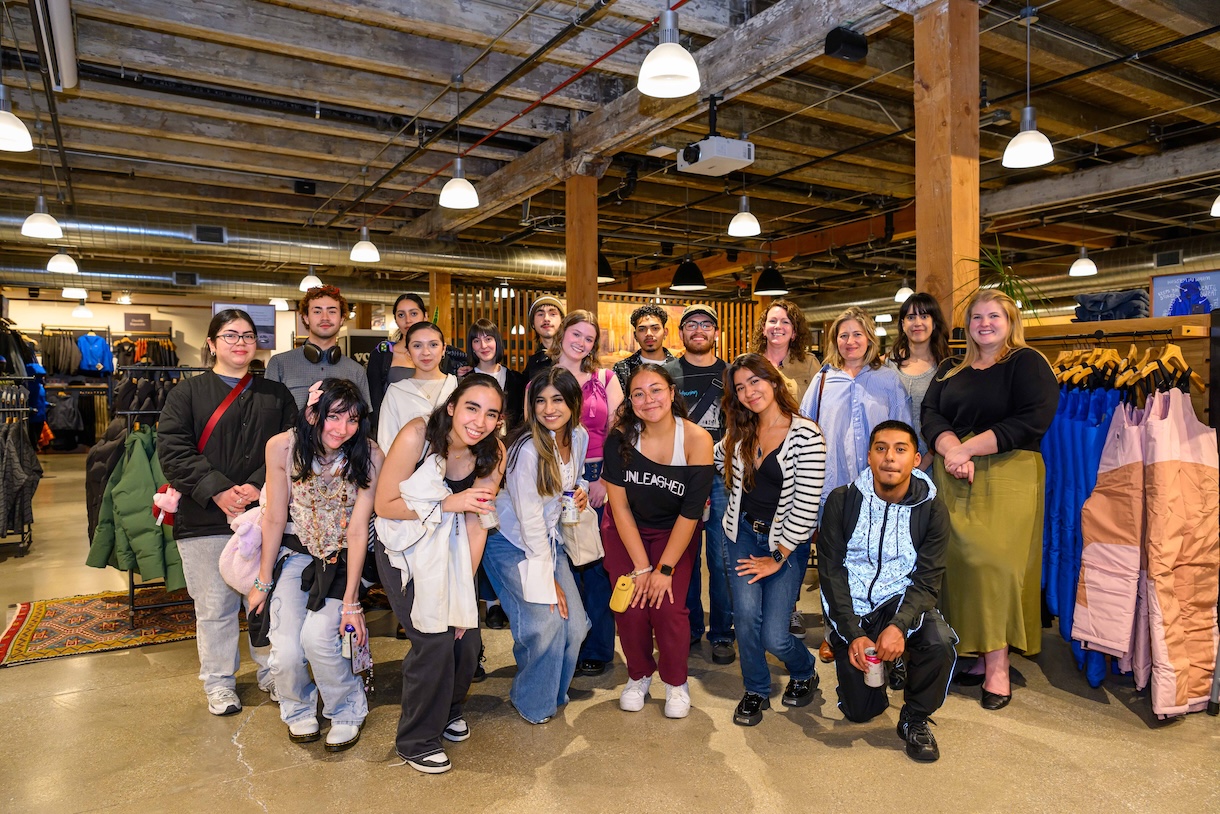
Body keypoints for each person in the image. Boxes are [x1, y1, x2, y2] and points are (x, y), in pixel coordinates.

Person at [921, 290, 1058, 711]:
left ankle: (998, 665)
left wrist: (968, 449)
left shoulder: (1027, 362)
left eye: (993, 315)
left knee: (995, 566)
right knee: (958, 566)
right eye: (976, 316)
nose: (984, 323)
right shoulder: (948, 368)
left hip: (1007, 471)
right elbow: (931, 413)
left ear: (1009, 320)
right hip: (954, 471)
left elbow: (1033, 417)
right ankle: (978, 655)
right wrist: (950, 450)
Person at [157, 309, 297, 715]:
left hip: (263, 514)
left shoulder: (276, 395)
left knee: (264, 600)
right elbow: (173, 449)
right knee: (215, 607)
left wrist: (256, 485)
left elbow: (291, 447)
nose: (240, 342)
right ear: (213, 343)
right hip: (203, 517)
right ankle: (218, 683)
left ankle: (270, 671)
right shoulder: (187, 393)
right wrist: (218, 491)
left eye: (248, 336)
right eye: (231, 335)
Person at [372, 375, 506, 774]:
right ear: (451, 407)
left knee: (465, 639)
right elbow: (385, 504)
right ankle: (415, 740)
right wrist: (449, 502)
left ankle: (446, 709)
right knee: (434, 639)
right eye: (472, 407)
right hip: (404, 546)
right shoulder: (417, 435)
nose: (480, 420)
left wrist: (461, 589)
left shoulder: (492, 451)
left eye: (491, 413)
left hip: (453, 545)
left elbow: (478, 521)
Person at [250, 378, 381, 751]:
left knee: (319, 638)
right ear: (312, 413)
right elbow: (274, 517)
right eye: (334, 417)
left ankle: (346, 711)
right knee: (288, 647)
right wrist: (262, 582)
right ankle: (297, 709)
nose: (343, 429)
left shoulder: (368, 452)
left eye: (353, 419)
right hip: (296, 555)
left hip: (345, 561)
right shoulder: (282, 447)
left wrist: (353, 601)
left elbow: (358, 530)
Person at [816, 420, 955, 760]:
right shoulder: (842, 500)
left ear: (916, 460)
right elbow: (830, 572)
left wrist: (899, 624)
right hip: (855, 607)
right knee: (860, 711)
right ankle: (885, 667)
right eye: (881, 448)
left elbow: (927, 578)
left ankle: (915, 717)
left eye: (900, 449)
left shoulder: (932, 508)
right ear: (869, 456)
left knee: (940, 644)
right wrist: (852, 633)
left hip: (900, 600)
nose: (889, 458)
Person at [718, 354, 825, 726]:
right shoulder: (740, 431)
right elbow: (719, 459)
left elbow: (806, 507)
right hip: (742, 534)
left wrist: (777, 556)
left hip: (786, 545)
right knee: (745, 618)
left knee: (775, 637)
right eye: (740, 387)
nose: (748, 392)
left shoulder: (807, 435)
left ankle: (804, 669)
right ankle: (756, 689)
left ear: (774, 381)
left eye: (755, 382)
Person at [601, 364, 714, 718]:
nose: (648, 399)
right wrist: (641, 567)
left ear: (671, 392)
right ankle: (638, 675)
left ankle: (676, 681)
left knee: (667, 608)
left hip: (674, 532)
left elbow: (691, 512)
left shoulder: (696, 439)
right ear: (630, 401)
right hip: (625, 531)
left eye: (656, 390)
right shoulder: (619, 439)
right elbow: (618, 508)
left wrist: (663, 569)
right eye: (638, 393)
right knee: (631, 606)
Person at [482, 367, 592, 724]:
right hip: (511, 543)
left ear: (573, 402)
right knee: (546, 624)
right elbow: (528, 519)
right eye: (540, 401)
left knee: (574, 627)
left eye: (557, 399)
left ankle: (550, 691)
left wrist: (582, 492)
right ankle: (533, 701)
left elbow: (576, 481)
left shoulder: (578, 436)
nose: (548, 408)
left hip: (548, 541)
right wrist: (550, 582)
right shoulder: (525, 448)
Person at [802, 306, 911, 653]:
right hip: (833, 489)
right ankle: (835, 633)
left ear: (869, 338)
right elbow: (805, 429)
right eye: (843, 335)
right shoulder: (822, 381)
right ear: (836, 340)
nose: (850, 341)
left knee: (879, 557)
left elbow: (904, 431)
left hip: (879, 489)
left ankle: (878, 629)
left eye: (857, 334)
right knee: (833, 562)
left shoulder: (888, 379)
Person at [548, 310, 623, 677]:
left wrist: (605, 478)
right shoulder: (541, 382)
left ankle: (597, 648)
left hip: (596, 476)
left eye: (589, 338)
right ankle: (568, 642)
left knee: (596, 566)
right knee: (562, 565)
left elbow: (619, 431)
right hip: (556, 478)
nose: (581, 342)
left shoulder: (605, 378)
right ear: (563, 334)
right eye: (576, 334)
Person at [672, 305, 734, 664]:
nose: (699, 330)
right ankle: (691, 626)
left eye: (706, 324)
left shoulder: (731, 374)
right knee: (684, 556)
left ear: (715, 333)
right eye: (691, 324)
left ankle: (723, 632)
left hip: (724, 477)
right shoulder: (666, 374)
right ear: (681, 333)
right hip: (680, 476)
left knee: (722, 558)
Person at [267, 285, 371, 411]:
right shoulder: (279, 364)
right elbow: (268, 416)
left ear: (342, 319)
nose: (325, 318)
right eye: (317, 311)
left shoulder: (357, 371)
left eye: (332, 311)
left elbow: (363, 421)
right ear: (306, 318)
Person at [885, 293, 951, 469]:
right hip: (891, 462)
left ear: (934, 322)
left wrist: (926, 460)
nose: (917, 323)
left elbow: (949, 418)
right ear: (902, 324)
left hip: (933, 463)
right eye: (911, 317)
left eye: (924, 316)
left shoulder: (946, 368)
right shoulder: (886, 365)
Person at [377, 322, 458, 453]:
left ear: (443, 349)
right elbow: (386, 444)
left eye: (433, 345)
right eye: (417, 346)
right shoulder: (396, 392)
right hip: (408, 471)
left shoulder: (457, 387)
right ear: (408, 353)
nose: (426, 352)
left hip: (454, 470)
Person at [367, 293, 426, 425]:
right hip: (392, 426)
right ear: (395, 320)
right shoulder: (381, 354)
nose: (408, 320)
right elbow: (374, 402)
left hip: (432, 428)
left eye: (414, 313)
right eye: (401, 315)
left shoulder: (439, 353)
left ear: (425, 316)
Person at [465, 318, 526, 432]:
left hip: (512, 444)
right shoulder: (465, 381)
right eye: (476, 341)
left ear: (497, 342)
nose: (483, 346)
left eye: (488, 339)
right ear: (472, 347)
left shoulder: (517, 380)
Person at [753, 299, 820, 403]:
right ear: (763, 329)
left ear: (794, 332)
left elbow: (821, 403)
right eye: (772, 321)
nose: (778, 326)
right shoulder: (749, 364)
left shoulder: (809, 363)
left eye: (785, 322)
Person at [612, 303, 678, 394]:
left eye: (655, 328)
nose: (649, 334)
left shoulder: (679, 367)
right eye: (642, 329)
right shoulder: (623, 369)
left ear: (665, 332)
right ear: (635, 335)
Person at [524, 295, 564, 381]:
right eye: (540, 314)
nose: (546, 319)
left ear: (562, 320)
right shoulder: (533, 363)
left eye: (552, 314)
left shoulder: (572, 354)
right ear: (533, 324)